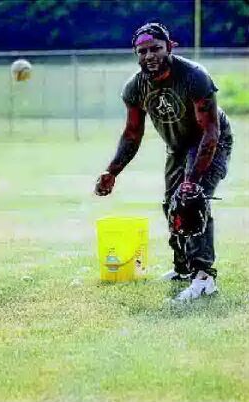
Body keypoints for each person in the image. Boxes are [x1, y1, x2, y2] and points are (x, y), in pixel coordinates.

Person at [94, 22, 233, 301]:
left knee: (192, 200)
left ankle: (204, 277)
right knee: (170, 204)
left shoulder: (194, 76)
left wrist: (191, 182)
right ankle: (182, 268)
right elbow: (132, 134)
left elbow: (210, 131)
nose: (149, 56)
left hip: (209, 142)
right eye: (142, 51)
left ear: (170, 47)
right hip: (178, 146)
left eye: (156, 48)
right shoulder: (136, 87)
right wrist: (112, 172)